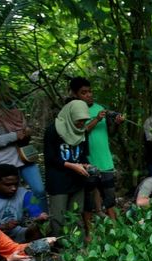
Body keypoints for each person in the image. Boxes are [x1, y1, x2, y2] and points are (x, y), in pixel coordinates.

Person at [0, 83, 47, 209]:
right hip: (6, 162)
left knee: (39, 191)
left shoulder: (17, 112)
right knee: (11, 195)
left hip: (26, 158)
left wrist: (26, 133)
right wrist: (14, 136)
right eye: (6, 93)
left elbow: (25, 135)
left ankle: (43, 222)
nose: (10, 96)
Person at [68, 77, 124, 224]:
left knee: (110, 197)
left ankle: (115, 227)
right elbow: (79, 132)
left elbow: (110, 134)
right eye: (83, 92)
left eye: (90, 91)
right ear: (75, 94)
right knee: (88, 200)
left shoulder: (99, 108)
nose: (89, 95)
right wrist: (97, 119)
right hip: (88, 161)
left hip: (105, 159)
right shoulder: (74, 111)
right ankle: (89, 233)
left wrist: (117, 124)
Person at [44, 100, 91, 236]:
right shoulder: (53, 130)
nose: (81, 124)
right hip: (58, 180)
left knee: (76, 215)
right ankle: (60, 249)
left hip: (77, 180)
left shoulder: (82, 131)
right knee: (58, 218)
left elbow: (82, 155)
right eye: (79, 120)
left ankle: (78, 248)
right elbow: (50, 158)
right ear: (70, 116)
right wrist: (71, 165)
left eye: (84, 121)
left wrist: (85, 165)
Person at [0, 164, 48, 243]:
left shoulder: (24, 194)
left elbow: (34, 212)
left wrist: (39, 217)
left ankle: (35, 252)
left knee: (36, 230)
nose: (13, 188)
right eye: (8, 185)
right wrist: (1, 227)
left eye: (16, 184)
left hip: (17, 234)